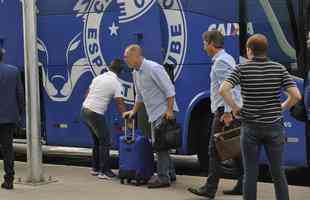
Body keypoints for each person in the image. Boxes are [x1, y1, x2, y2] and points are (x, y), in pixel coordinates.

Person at [219, 34, 302, 200]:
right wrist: (282, 107)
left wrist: (235, 108)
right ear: (266, 50)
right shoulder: (278, 68)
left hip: (250, 128)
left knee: (250, 172)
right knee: (278, 172)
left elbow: (223, 89)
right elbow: (296, 96)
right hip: (274, 127)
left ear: (249, 51)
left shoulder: (241, 69)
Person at [188, 30, 243, 199]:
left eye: (204, 43)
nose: (203, 46)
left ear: (211, 43)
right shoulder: (227, 58)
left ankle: (210, 189)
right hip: (228, 110)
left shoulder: (220, 62)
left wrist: (227, 112)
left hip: (223, 112)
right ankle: (243, 184)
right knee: (234, 148)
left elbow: (229, 89)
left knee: (214, 149)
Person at [122, 44, 178, 189]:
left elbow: (169, 90)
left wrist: (170, 111)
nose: (125, 59)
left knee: (160, 146)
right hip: (153, 113)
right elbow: (140, 96)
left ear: (136, 55)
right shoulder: (135, 72)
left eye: (127, 57)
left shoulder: (153, 68)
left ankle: (162, 177)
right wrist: (134, 111)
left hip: (163, 111)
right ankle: (170, 173)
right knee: (162, 144)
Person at [81, 59, 127, 180]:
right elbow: (120, 103)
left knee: (97, 140)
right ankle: (104, 171)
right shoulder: (116, 82)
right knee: (105, 141)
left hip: (85, 110)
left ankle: (95, 169)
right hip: (95, 113)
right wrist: (127, 116)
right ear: (120, 71)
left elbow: (87, 94)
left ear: (109, 67)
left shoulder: (99, 77)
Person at [0, 48, 25, 189]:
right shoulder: (13, 71)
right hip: (9, 117)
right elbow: (20, 94)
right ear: (2, 56)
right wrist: (20, 114)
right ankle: (9, 180)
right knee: (8, 149)